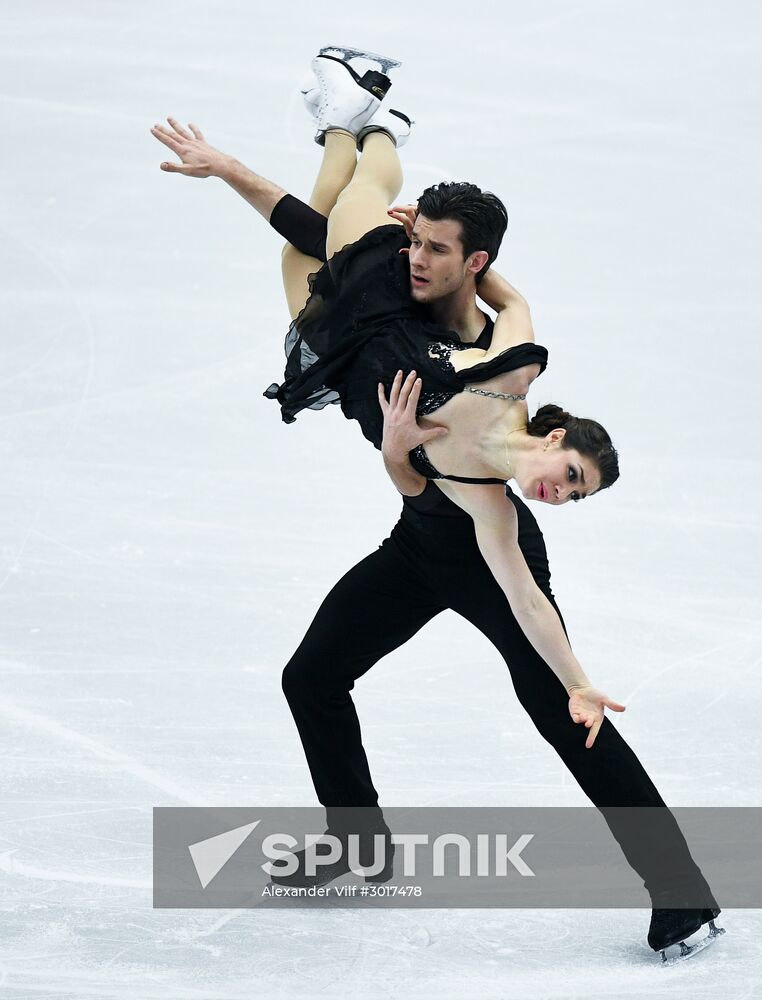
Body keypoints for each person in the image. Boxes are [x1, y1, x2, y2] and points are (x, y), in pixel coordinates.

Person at [149, 47, 720, 955]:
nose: (558, 493)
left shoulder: (502, 492)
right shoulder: (480, 346)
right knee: (312, 677)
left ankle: (683, 890)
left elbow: (522, 591)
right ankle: (360, 848)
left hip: (466, 545)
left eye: (572, 498)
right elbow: (507, 298)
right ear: (557, 436)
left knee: (559, 716)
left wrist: (578, 681)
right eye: (568, 475)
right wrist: (405, 445)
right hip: (419, 538)